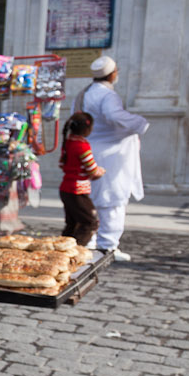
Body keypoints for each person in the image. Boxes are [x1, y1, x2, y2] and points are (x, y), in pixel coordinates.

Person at [71, 56, 148, 261]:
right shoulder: (107, 96)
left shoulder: (84, 94)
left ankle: (91, 241)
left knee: (92, 198)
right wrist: (139, 123)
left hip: (92, 150)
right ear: (113, 74)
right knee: (113, 199)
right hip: (110, 156)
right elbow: (114, 116)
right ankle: (108, 245)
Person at [58, 112, 105, 247]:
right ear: (87, 129)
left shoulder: (68, 142)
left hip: (66, 188)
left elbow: (62, 164)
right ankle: (76, 250)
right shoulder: (82, 145)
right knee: (90, 222)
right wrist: (100, 171)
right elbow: (92, 169)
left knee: (72, 223)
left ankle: (62, 248)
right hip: (77, 190)